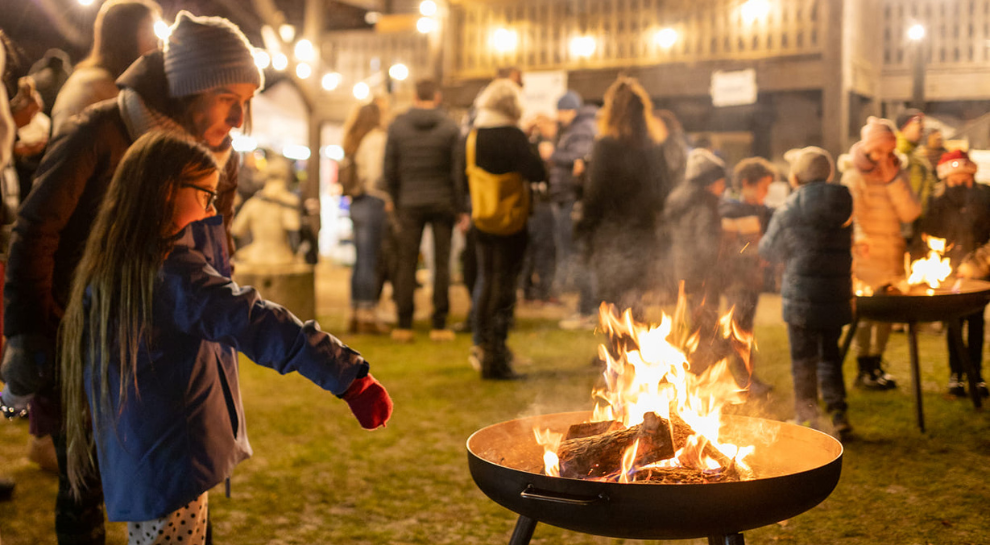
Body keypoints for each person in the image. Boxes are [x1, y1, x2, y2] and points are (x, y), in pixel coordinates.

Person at [1, 12, 262, 543]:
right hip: (87, 345)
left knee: (183, 480)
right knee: (84, 486)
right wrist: (29, 333)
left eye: (248, 99)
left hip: (169, 353)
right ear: (191, 89)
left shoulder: (214, 157)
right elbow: (38, 230)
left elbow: (216, 248)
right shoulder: (101, 132)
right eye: (228, 96)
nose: (240, 116)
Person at [58, 131, 392, 543]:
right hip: (173, 461)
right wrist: (350, 377)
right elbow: (255, 321)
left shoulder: (117, 261)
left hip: (143, 454)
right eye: (206, 196)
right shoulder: (173, 275)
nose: (211, 210)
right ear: (166, 191)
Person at [759, 146, 853, 440]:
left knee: (803, 358)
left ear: (796, 176)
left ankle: (807, 417)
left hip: (801, 296)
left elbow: (769, 251)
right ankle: (839, 415)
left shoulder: (789, 208)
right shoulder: (843, 204)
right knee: (831, 355)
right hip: (836, 292)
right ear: (829, 173)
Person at [461, 78, 546, 379]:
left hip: (482, 220)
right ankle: (498, 353)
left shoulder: (472, 136)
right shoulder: (514, 136)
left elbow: (460, 176)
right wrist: (531, 142)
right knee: (505, 285)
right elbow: (537, 172)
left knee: (486, 281)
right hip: (512, 221)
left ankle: (481, 345)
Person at [578, 77, 669, 320]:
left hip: (611, 235)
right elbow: (662, 193)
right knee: (634, 299)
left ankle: (618, 354)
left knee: (613, 301)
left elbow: (594, 195)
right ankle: (632, 353)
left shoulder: (606, 146)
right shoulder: (653, 148)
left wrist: (586, 233)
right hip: (643, 234)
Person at [842, 117, 921, 390]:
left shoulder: (898, 174)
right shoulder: (853, 176)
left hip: (893, 253)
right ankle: (863, 367)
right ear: (868, 148)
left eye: (889, 151)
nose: (883, 157)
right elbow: (852, 216)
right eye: (879, 151)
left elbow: (910, 212)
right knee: (864, 315)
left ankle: (877, 364)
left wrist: (893, 181)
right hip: (866, 255)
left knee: (888, 313)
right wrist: (861, 240)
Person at [383, 79, 463, 343]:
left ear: (415, 96)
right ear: (437, 96)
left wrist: (396, 198)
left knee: (407, 263)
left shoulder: (398, 126)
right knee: (441, 263)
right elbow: (457, 171)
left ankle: (404, 324)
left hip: (409, 202)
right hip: (443, 202)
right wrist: (459, 205)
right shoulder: (451, 126)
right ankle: (439, 324)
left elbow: (389, 169)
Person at [922, 150, 990, 397]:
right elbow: (928, 234)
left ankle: (976, 374)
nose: (959, 181)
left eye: (963, 175)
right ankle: (956, 375)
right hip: (948, 272)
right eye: (954, 177)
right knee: (954, 323)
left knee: (975, 324)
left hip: (980, 273)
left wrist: (977, 263)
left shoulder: (985, 197)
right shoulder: (937, 201)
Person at [50, 0, 161, 136]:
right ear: (126, 37)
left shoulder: (105, 81)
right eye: (148, 32)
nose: (157, 43)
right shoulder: (96, 87)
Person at [720, 156, 778, 395]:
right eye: (763, 186)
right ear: (746, 183)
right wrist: (755, 254)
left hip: (753, 279)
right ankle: (743, 380)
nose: (766, 192)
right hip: (737, 280)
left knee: (745, 327)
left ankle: (747, 377)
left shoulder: (764, 211)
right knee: (738, 328)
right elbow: (729, 249)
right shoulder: (732, 211)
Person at [665, 147, 725, 370]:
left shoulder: (680, 199)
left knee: (698, 318)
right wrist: (720, 261)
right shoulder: (704, 204)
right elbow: (706, 243)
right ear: (708, 181)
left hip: (684, 269)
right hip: (703, 272)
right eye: (720, 180)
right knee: (705, 321)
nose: (723, 186)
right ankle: (699, 367)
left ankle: (693, 363)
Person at [342, 101, 390, 334]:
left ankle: (354, 312)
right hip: (372, 200)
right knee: (370, 260)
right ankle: (368, 314)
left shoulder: (352, 138)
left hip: (356, 202)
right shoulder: (375, 139)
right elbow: (376, 173)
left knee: (360, 259)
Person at [546, 91, 596, 296]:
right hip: (566, 195)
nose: (559, 116)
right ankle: (575, 290)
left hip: (571, 196)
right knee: (569, 245)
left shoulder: (582, 129)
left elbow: (579, 159)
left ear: (571, 110)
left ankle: (578, 291)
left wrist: (552, 155)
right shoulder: (574, 129)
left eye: (562, 111)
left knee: (573, 246)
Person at [894, 109, 937, 243]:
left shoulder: (916, 154)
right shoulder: (897, 153)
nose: (922, 126)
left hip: (918, 220)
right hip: (904, 224)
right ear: (904, 126)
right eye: (917, 121)